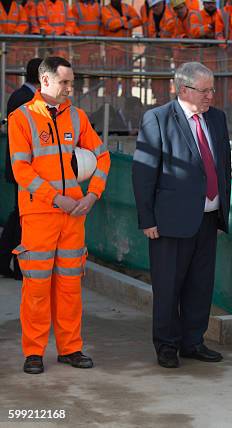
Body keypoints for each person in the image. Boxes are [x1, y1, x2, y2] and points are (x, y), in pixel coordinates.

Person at [8, 56, 111, 374]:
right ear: (46, 81)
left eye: (72, 82)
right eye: (65, 82)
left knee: (69, 286)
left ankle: (70, 348)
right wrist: (56, 199)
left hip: (74, 217)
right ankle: (34, 352)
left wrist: (92, 195)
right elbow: (20, 169)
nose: (71, 88)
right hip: (40, 215)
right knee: (36, 287)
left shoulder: (77, 118)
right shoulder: (22, 117)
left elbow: (102, 156)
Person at [132, 62, 231, 369]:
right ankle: (166, 345)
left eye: (212, 89)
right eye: (204, 90)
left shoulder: (217, 119)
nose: (210, 96)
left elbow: (222, 165)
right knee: (168, 287)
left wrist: (221, 210)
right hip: (169, 222)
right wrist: (147, 219)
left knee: (200, 285)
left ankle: (193, 341)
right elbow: (143, 172)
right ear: (183, 89)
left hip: (208, 218)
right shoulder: (158, 119)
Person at [0, 57, 42, 280]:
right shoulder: (24, 98)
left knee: (18, 215)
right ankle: (16, 265)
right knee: (22, 217)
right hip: (23, 168)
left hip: (21, 166)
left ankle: (7, 261)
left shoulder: (21, 96)